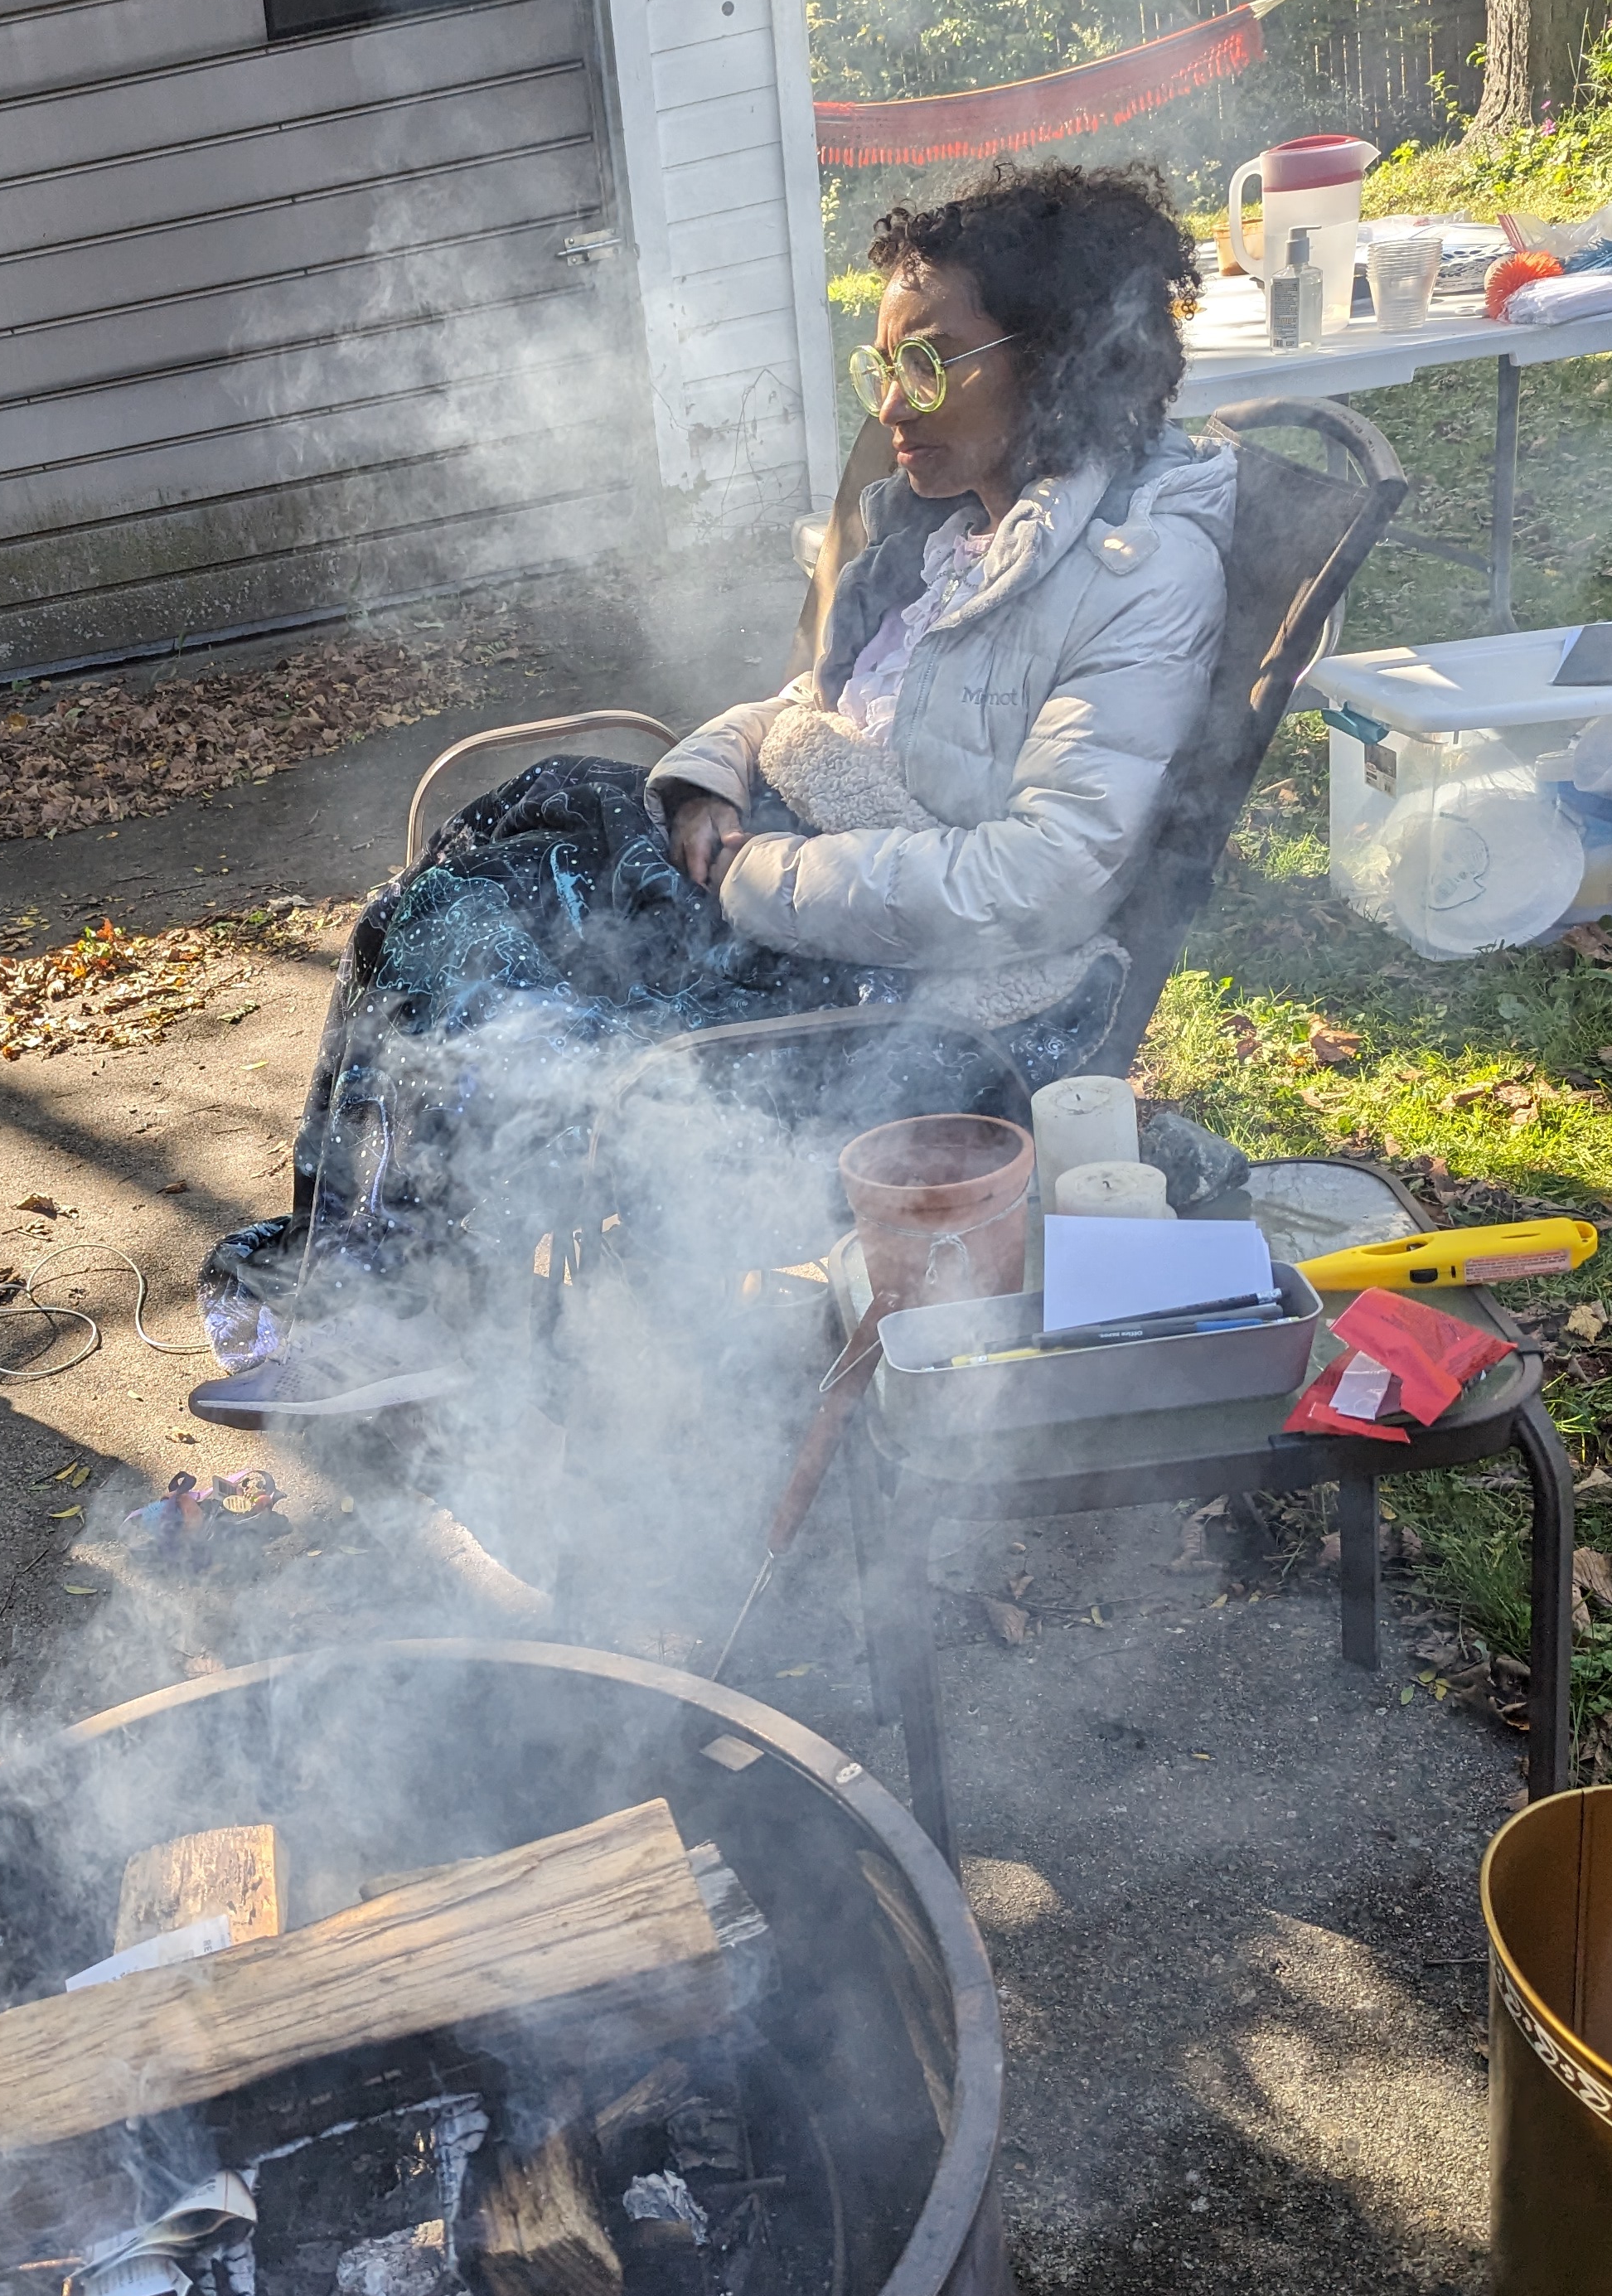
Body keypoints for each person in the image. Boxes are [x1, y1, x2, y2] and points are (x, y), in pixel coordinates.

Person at [193, 162, 1237, 1426]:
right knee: (468, 886)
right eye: (881, 369)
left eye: (930, 363)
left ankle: (398, 1304)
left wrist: (751, 874)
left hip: (926, 1008)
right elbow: (813, 723)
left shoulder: (1139, 575)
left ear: (1063, 355)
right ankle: (391, 1298)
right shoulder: (958, 536)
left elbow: (1039, 883)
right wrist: (702, 785)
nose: (892, 406)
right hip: (822, 908)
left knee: (471, 950)